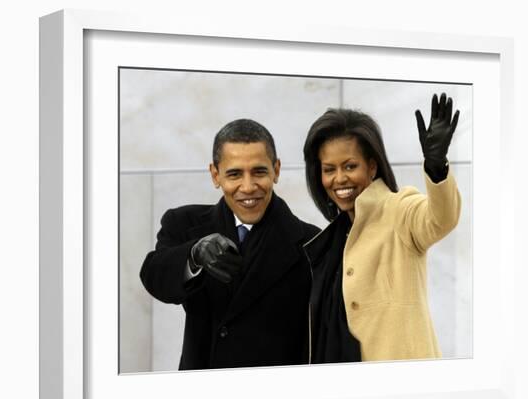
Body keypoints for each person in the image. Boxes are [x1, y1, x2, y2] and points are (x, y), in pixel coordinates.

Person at [140, 118, 320, 370]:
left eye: (259, 172)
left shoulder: (313, 242)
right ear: (215, 175)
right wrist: (194, 255)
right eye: (234, 174)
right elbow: (154, 277)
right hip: (204, 393)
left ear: (276, 170)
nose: (247, 187)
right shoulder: (183, 223)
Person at [302, 93, 461, 363]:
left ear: (372, 166)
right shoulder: (332, 238)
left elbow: (439, 219)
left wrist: (436, 166)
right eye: (329, 169)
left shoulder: (398, 210)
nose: (339, 178)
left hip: (402, 388)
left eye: (350, 166)